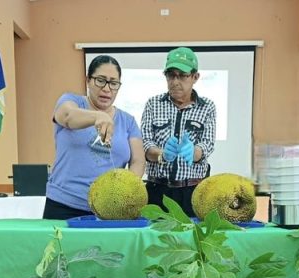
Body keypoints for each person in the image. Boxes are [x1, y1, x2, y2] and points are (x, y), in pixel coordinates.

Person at [43, 55, 145, 220]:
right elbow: (67, 116)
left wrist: (126, 190)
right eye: (100, 80)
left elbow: (138, 161)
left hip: (110, 210)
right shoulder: (71, 101)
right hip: (63, 205)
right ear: (88, 80)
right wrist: (98, 116)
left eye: (113, 83)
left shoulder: (128, 121)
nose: (107, 89)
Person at [140, 47, 216, 216]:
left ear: (195, 77)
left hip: (193, 192)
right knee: (154, 232)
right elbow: (145, 143)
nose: (175, 81)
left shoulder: (207, 107)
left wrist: (194, 152)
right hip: (157, 191)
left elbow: (207, 144)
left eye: (182, 75)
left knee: (192, 233)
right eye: (171, 75)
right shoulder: (153, 104)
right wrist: (161, 154)